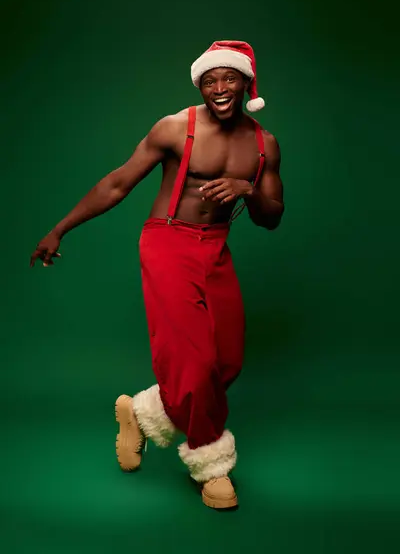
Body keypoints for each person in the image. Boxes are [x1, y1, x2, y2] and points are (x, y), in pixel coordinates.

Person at [30, 40, 284, 510]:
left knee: (226, 361)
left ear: (247, 82)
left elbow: (271, 216)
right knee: (193, 363)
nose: (220, 89)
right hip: (167, 241)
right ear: (200, 86)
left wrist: (247, 188)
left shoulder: (263, 144)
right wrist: (60, 229)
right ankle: (212, 468)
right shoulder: (175, 128)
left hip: (215, 248)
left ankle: (143, 413)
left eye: (229, 78)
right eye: (210, 81)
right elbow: (118, 183)